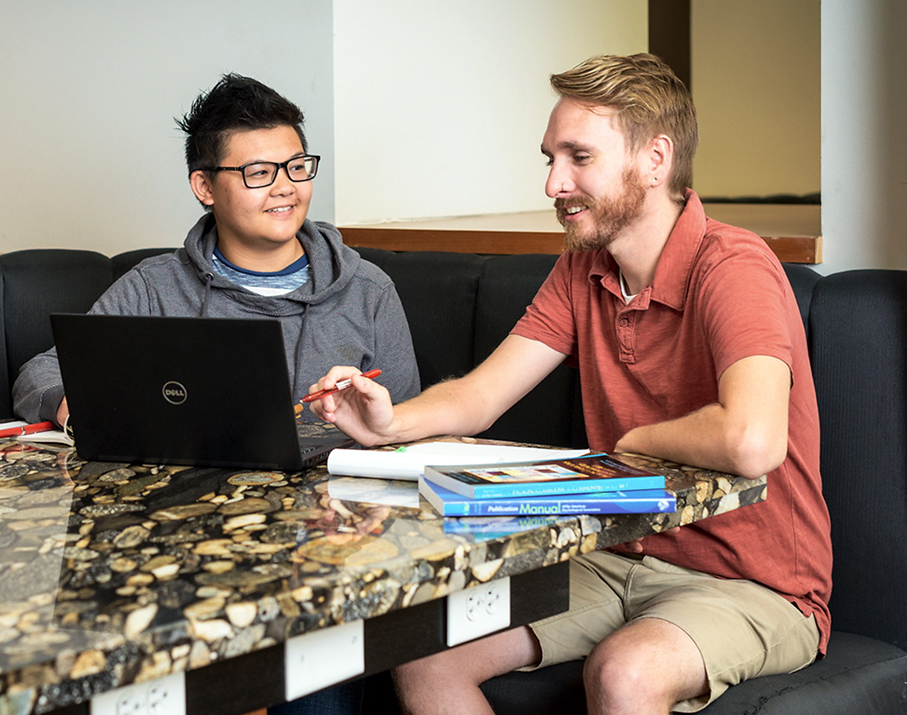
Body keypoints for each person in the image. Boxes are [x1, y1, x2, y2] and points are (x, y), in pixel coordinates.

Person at [307, 53, 831, 714]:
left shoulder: (734, 266)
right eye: (550, 158)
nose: (555, 182)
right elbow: (480, 394)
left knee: (625, 674)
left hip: (753, 583)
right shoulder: (581, 267)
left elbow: (753, 439)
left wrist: (639, 437)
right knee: (422, 649)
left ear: (655, 159)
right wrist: (392, 422)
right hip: (615, 554)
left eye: (578, 157)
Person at [13, 73, 420, 429]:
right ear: (204, 188)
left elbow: (407, 423)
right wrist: (85, 411)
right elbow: (41, 373)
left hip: (328, 509)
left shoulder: (368, 290)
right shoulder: (154, 289)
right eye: (259, 173)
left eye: (297, 167)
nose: (285, 187)